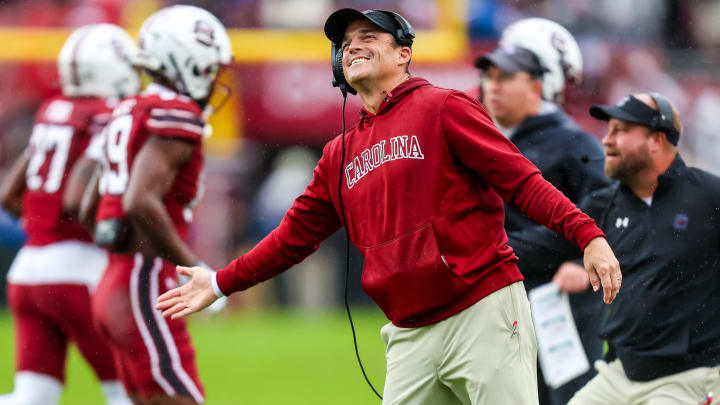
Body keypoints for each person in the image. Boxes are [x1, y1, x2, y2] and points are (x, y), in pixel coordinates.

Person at [157, 8, 622, 405]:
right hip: (408, 331)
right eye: (345, 43)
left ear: (404, 53)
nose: (352, 47)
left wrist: (589, 236)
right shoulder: (338, 154)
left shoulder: (445, 107)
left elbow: (522, 182)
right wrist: (220, 282)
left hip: (482, 310)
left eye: (368, 38)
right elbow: (293, 237)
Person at [509, 93, 720, 405]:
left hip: (689, 379)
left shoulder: (709, 197)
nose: (607, 140)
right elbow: (536, 247)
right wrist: (455, 252)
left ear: (657, 140)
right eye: (608, 130)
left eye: (621, 130)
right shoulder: (604, 204)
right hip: (618, 375)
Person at [88, 5, 232, 404]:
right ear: (185, 60)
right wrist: (197, 268)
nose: (213, 79)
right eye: (208, 69)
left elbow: (89, 202)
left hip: (116, 279)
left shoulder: (128, 108)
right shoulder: (174, 113)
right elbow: (139, 200)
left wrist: (117, 239)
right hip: (144, 280)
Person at [0, 24, 138, 405]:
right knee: (128, 394)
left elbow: (10, 194)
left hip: (28, 270)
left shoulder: (53, 110)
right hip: (80, 273)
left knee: (32, 397)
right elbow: (80, 201)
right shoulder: (109, 115)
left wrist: (44, 228)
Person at [475, 18, 611, 404]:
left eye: (508, 75)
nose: (493, 86)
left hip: (558, 300)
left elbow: (606, 208)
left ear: (538, 83)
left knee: (568, 396)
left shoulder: (572, 142)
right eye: (491, 75)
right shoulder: (490, 139)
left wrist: (575, 254)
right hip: (505, 299)